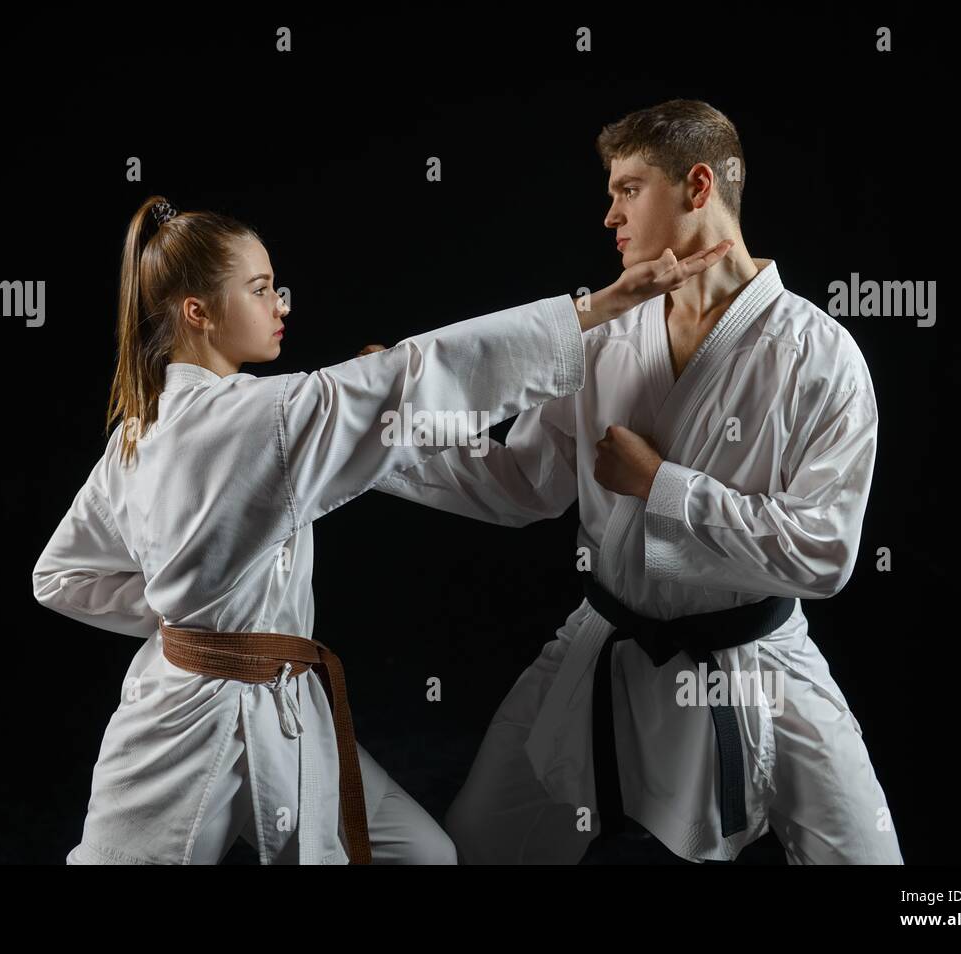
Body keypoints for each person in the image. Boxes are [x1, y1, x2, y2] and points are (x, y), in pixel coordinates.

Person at [31, 194, 732, 864]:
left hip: (279, 705)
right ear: (198, 313)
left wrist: (174, 611)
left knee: (421, 854)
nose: (281, 305)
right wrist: (599, 307)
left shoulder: (142, 426)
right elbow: (417, 376)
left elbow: (59, 576)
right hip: (181, 725)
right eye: (260, 288)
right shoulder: (260, 416)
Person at [371, 100, 905, 864]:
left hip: (756, 659)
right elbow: (522, 481)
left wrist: (663, 485)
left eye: (627, 189)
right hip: (603, 641)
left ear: (696, 187)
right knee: (481, 844)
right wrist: (387, 432)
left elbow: (823, 552)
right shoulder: (607, 337)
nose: (609, 215)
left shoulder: (820, 355)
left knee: (867, 857)